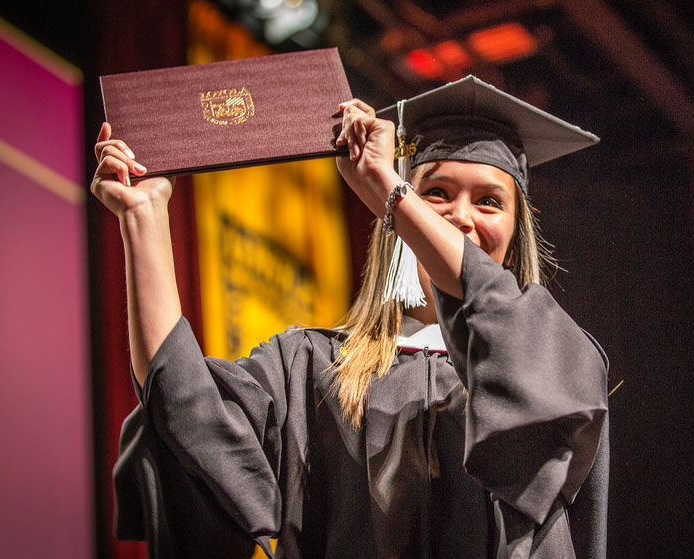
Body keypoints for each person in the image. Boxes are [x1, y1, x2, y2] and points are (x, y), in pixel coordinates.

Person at [93, 75, 609, 559]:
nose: (462, 217)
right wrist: (144, 216)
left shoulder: (552, 363)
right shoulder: (309, 366)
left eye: (490, 202)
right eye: (437, 193)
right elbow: (186, 413)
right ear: (395, 224)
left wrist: (390, 190)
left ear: (516, 242)